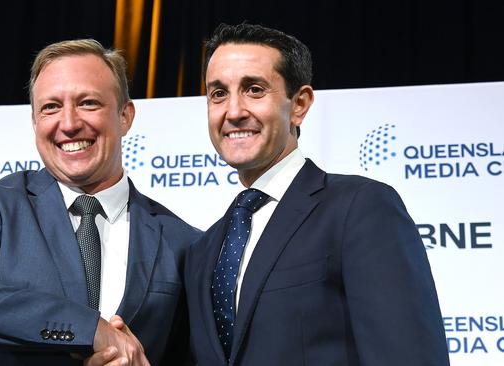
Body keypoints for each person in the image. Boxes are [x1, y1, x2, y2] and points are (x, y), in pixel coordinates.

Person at [0, 39, 200, 366]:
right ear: (34, 122)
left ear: (125, 116)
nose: (69, 124)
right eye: (51, 107)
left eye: (88, 103)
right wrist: (89, 329)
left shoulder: (183, 241)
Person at [184, 23, 450, 365]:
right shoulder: (202, 252)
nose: (233, 111)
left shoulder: (360, 208)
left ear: (300, 104)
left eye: (253, 89)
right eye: (218, 93)